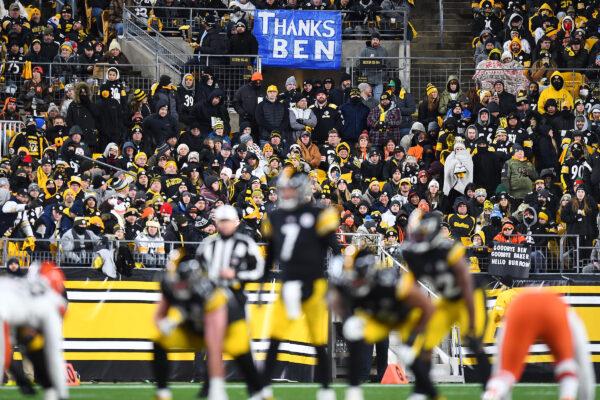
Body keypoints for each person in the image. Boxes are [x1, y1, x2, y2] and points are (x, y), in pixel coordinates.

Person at [260, 168, 342, 400]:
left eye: (289, 188)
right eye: (283, 188)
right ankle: (263, 388)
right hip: (288, 285)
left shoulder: (319, 214)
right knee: (274, 337)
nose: (285, 193)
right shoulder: (274, 217)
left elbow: (334, 249)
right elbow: (271, 254)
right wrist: (262, 280)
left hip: (314, 286)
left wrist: (337, 278)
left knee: (318, 341)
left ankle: (326, 389)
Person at [151, 249, 263, 400]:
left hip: (227, 328)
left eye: (183, 282)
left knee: (241, 352)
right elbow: (159, 315)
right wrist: (165, 323)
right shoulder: (168, 284)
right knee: (159, 340)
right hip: (195, 327)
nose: (178, 286)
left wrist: (217, 388)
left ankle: (258, 393)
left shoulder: (210, 294)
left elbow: (213, 342)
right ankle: (162, 393)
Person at [401, 211, 491, 396]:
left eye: (420, 233)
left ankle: (491, 390)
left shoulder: (447, 249)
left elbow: (466, 285)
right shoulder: (414, 254)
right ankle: (423, 391)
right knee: (424, 345)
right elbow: (410, 289)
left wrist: (472, 320)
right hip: (446, 301)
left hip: (470, 297)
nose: (416, 237)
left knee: (474, 342)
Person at [330, 245, 435, 400]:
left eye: (355, 276)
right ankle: (353, 390)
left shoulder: (391, 282)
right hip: (376, 319)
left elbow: (428, 309)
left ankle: (427, 391)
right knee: (354, 334)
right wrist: (347, 319)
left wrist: (413, 336)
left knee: (411, 356)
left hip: (403, 318)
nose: (352, 281)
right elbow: (334, 300)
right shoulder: (347, 285)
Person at [482, 289, 595, 400]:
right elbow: (585, 370)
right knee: (568, 368)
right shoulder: (566, 311)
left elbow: (500, 323)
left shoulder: (508, 296)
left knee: (505, 374)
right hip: (554, 309)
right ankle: (568, 395)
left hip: (520, 308)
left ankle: (491, 394)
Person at [0, 261, 68, 400]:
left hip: (9, 314)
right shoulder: (50, 302)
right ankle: (52, 390)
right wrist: (61, 393)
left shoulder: (11, 283)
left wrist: (18, 374)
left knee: (30, 347)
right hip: (7, 315)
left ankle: (48, 387)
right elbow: (54, 355)